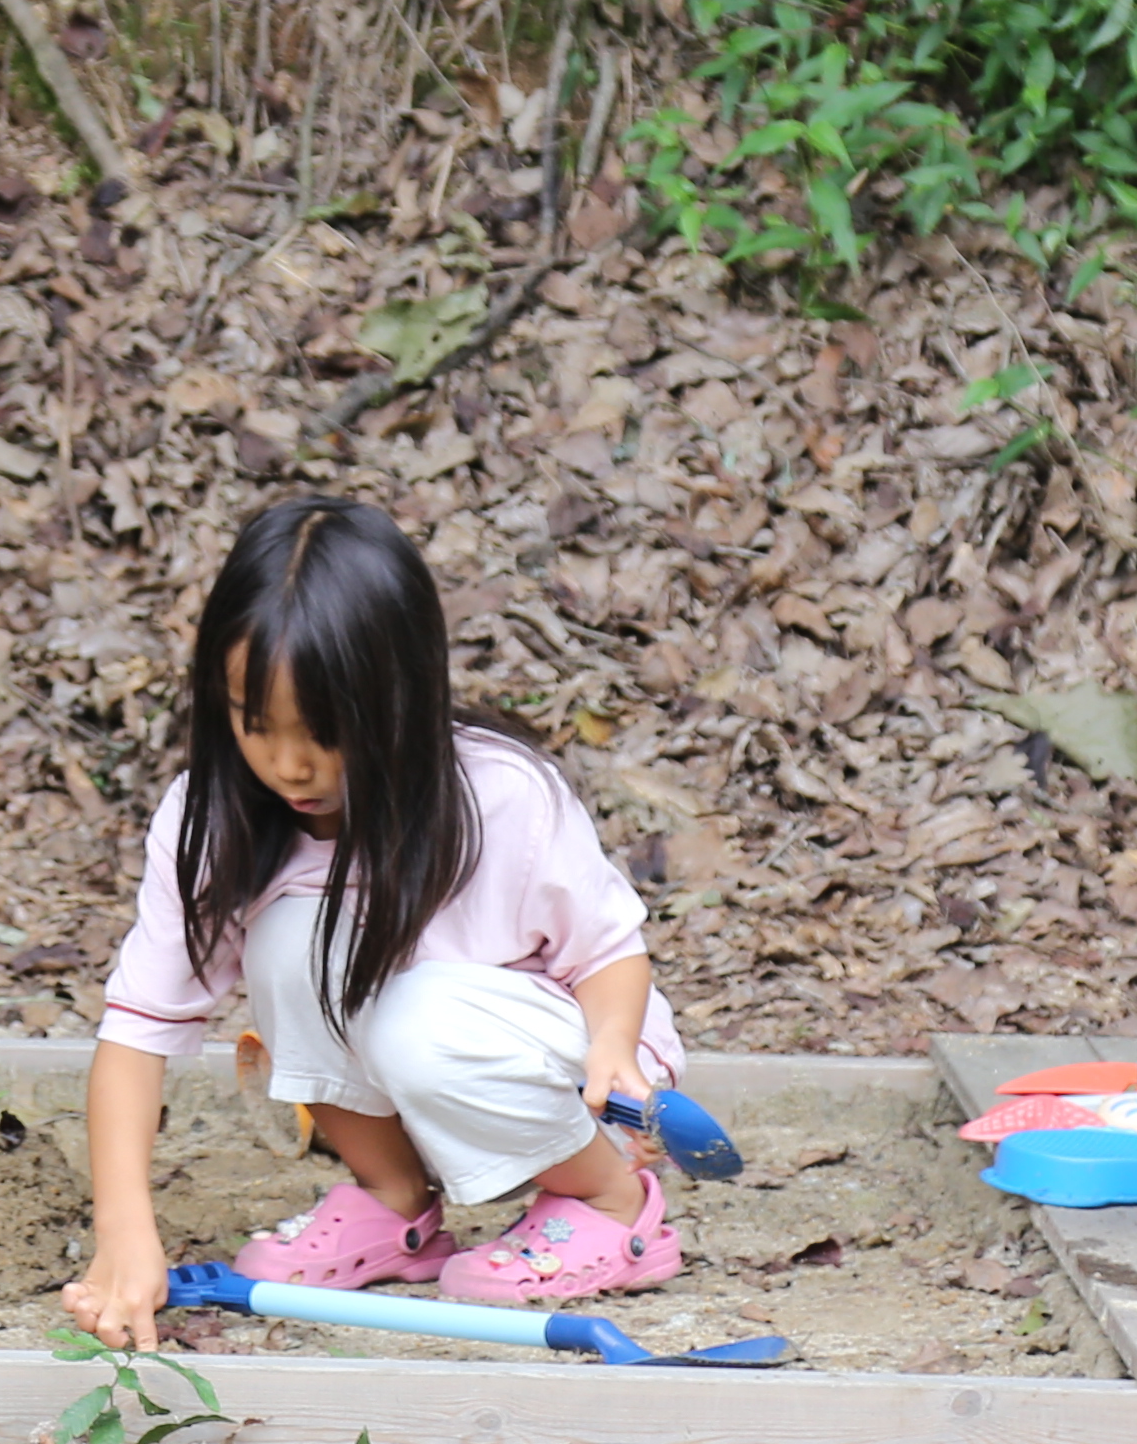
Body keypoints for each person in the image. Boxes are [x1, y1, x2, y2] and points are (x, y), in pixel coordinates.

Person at [59, 492, 686, 1355]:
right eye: (255, 725)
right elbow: (136, 1031)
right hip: (416, 1064)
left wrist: (614, 1047)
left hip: (573, 1081)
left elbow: (610, 952)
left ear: (402, 699)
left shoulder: (502, 795)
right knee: (291, 942)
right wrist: (125, 1236)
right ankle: (396, 1202)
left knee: (415, 1018)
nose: (288, 765)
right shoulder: (212, 820)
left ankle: (609, 1204)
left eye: (324, 732)